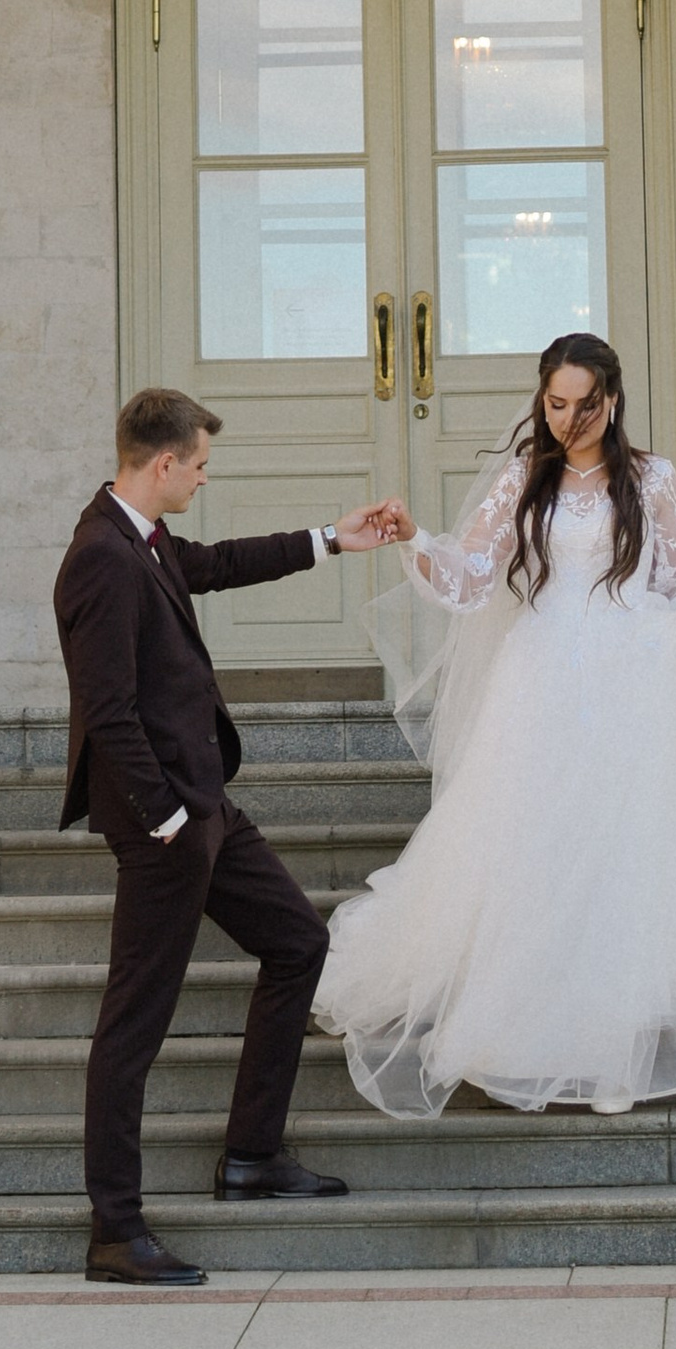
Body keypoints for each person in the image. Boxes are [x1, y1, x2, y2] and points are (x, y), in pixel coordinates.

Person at [313, 332, 676, 1118]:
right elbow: (468, 579)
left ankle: (611, 1036)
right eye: (554, 403)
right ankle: (530, 1028)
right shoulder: (527, 477)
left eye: (583, 404)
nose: (567, 419)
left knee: (620, 851)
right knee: (538, 841)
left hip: (633, 676)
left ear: (612, 400)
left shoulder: (652, 477)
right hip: (542, 675)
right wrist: (416, 539)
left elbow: (674, 579)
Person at [53, 384, 410, 1286]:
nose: (205, 478)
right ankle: (114, 1229)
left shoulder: (145, 538)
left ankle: (251, 1157)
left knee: (298, 941)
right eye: (201, 465)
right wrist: (168, 819)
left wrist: (334, 538)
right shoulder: (98, 555)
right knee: (133, 1022)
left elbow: (214, 563)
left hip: (206, 804)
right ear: (164, 462)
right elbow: (109, 710)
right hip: (164, 823)